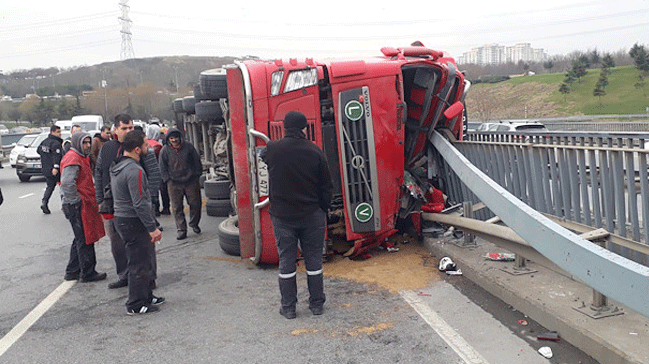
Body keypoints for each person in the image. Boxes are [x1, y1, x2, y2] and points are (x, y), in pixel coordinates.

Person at [262, 111, 333, 319]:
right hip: (312, 215)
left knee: (286, 261)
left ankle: (289, 307)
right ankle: (317, 304)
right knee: (313, 261)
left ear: (284, 127)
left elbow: (263, 158)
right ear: (304, 128)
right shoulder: (314, 150)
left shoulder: (272, 149)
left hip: (283, 216)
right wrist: (323, 208)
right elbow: (326, 185)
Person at [110, 129, 164, 315]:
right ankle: (135, 304)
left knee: (145, 260)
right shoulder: (134, 170)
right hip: (133, 221)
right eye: (145, 145)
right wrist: (152, 227)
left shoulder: (119, 166)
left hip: (124, 219)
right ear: (136, 149)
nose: (148, 147)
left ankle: (146, 295)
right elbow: (140, 203)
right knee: (138, 263)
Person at [60, 132, 107, 283]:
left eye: (89, 142)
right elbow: (67, 183)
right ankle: (87, 272)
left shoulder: (80, 157)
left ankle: (73, 270)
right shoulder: (73, 158)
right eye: (85, 143)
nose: (87, 146)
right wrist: (76, 201)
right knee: (85, 238)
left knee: (80, 237)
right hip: (78, 205)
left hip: (80, 203)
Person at [95, 114, 133, 289]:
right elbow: (99, 173)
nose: (128, 131)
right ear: (115, 130)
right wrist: (100, 200)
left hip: (133, 204)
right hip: (111, 205)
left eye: (130, 128)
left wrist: (151, 200)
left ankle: (145, 278)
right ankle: (124, 275)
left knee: (139, 244)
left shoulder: (138, 145)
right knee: (116, 243)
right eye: (124, 128)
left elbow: (153, 173)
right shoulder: (107, 148)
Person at [159, 128, 202, 240]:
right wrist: (167, 180)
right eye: (171, 138)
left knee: (195, 203)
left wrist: (197, 175)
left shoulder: (188, 147)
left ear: (180, 137)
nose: (174, 140)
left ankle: (194, 223)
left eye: (176, 137)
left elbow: (197, 161)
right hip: (173, 183)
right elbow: (162, 167)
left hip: (191, 181)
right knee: (177, 207)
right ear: (168, 139)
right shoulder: (165, 150)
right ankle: (181, 229)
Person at [37, 125, 64, 214]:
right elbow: (57, 156)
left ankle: (44, 202)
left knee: (50, 187)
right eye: (58, 132)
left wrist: (45, 158)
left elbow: (38, 150)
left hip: (46, 168)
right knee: (63, 187)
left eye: (60, 132)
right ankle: (65, 205)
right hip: (55, 169)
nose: (60, 134)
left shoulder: (44, 142)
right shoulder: (56, 143)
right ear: (52, 132)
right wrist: (56, 167)